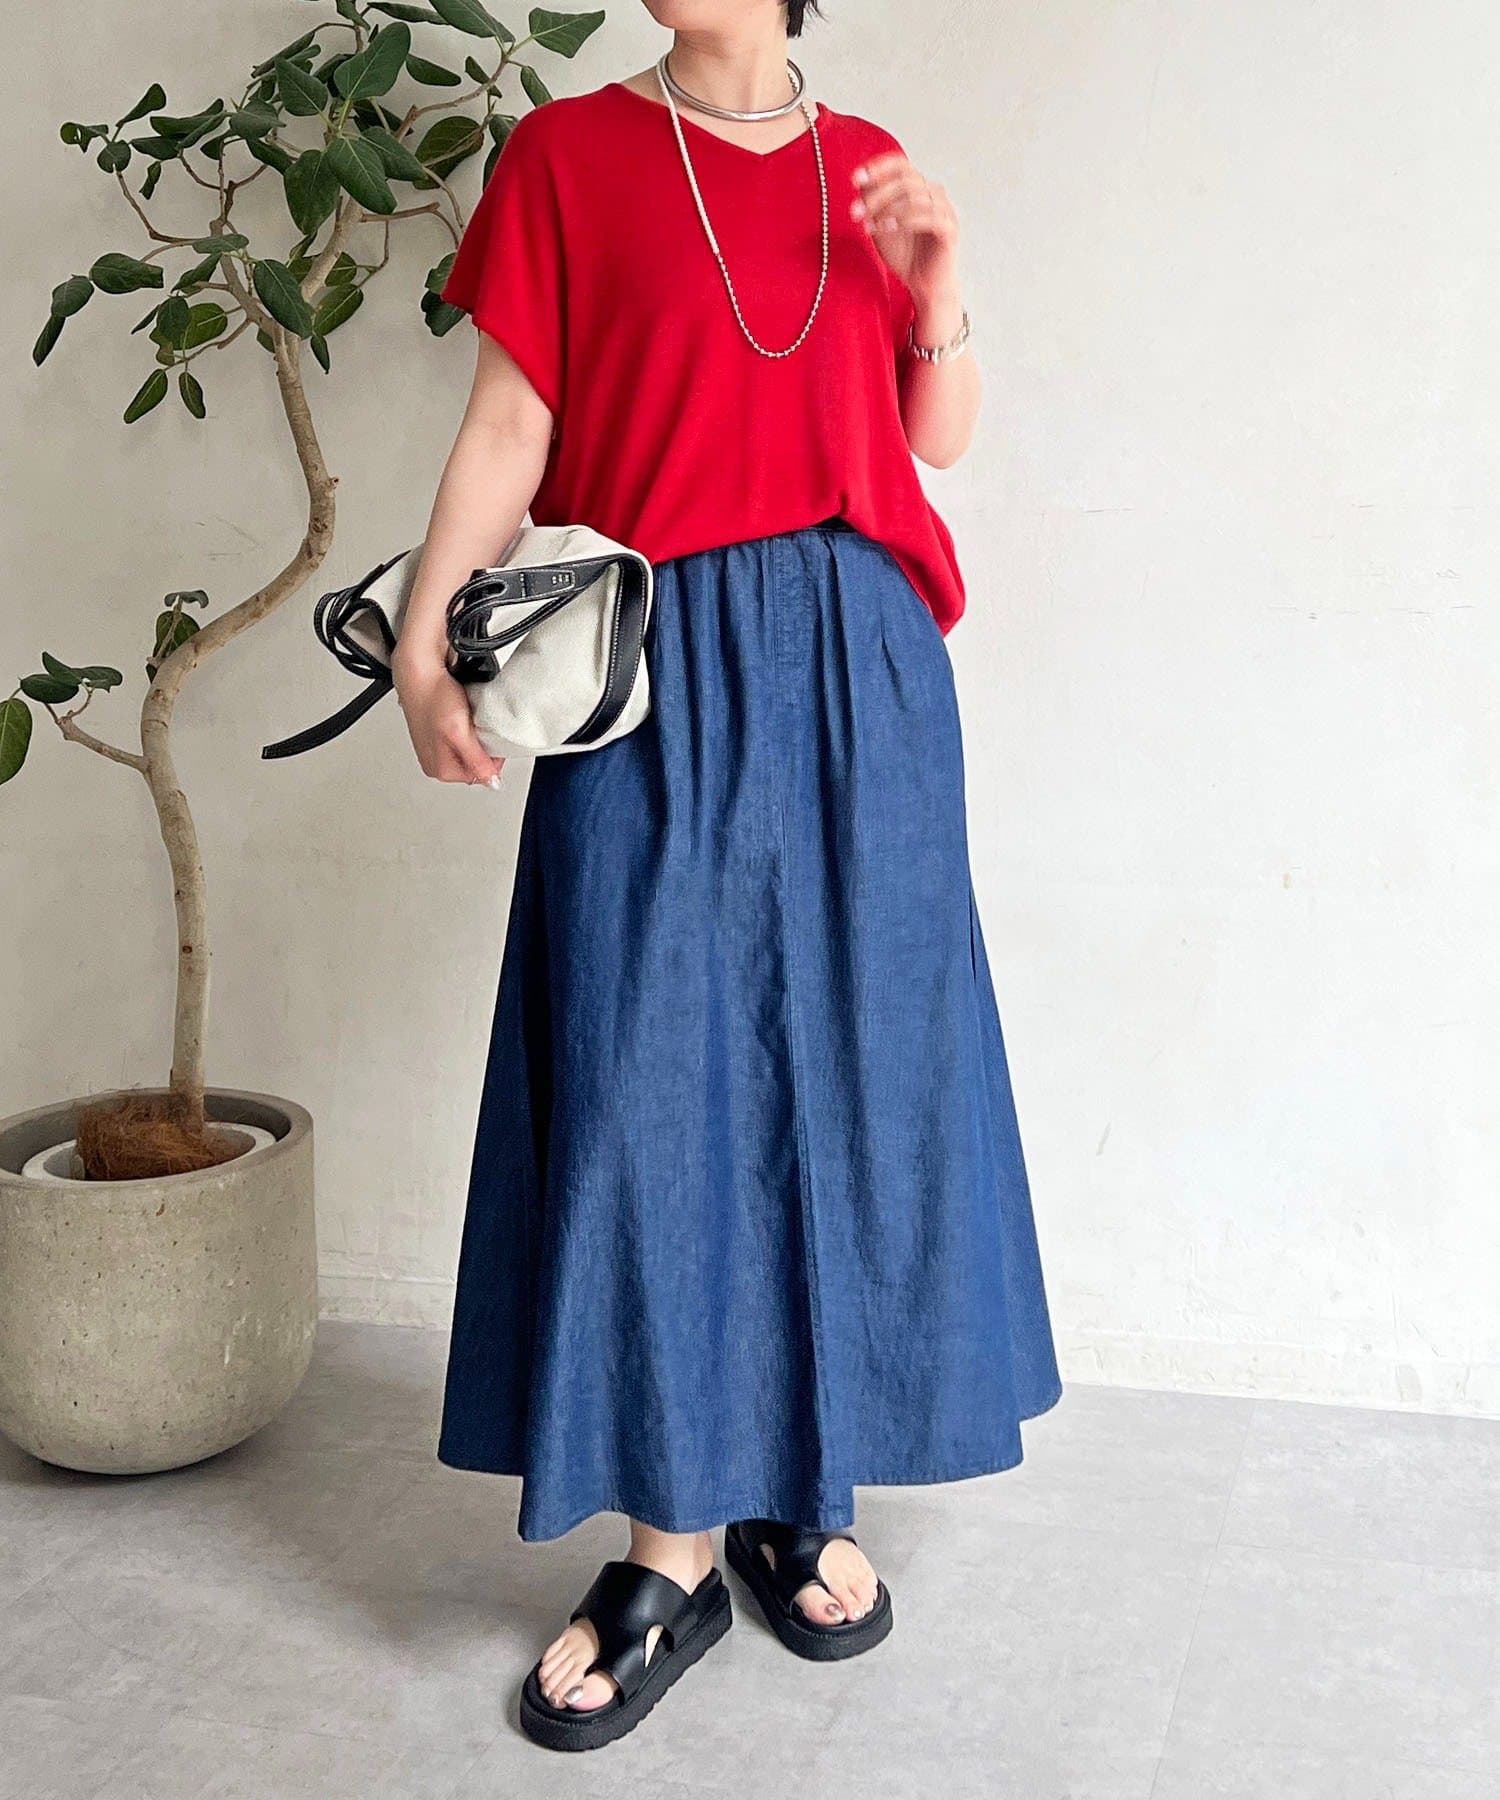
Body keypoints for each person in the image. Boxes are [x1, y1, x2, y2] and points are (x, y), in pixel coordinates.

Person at [392, 0, 1060, 1754]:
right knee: (644, 1080)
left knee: (848, 1076)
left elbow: (936, 438)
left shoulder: (867, 167)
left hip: (857, 658)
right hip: (651, 660)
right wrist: (419, 644)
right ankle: (672, 1543)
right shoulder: (569, 157)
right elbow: (510, 425)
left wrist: (940, 286)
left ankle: (799, 1493)